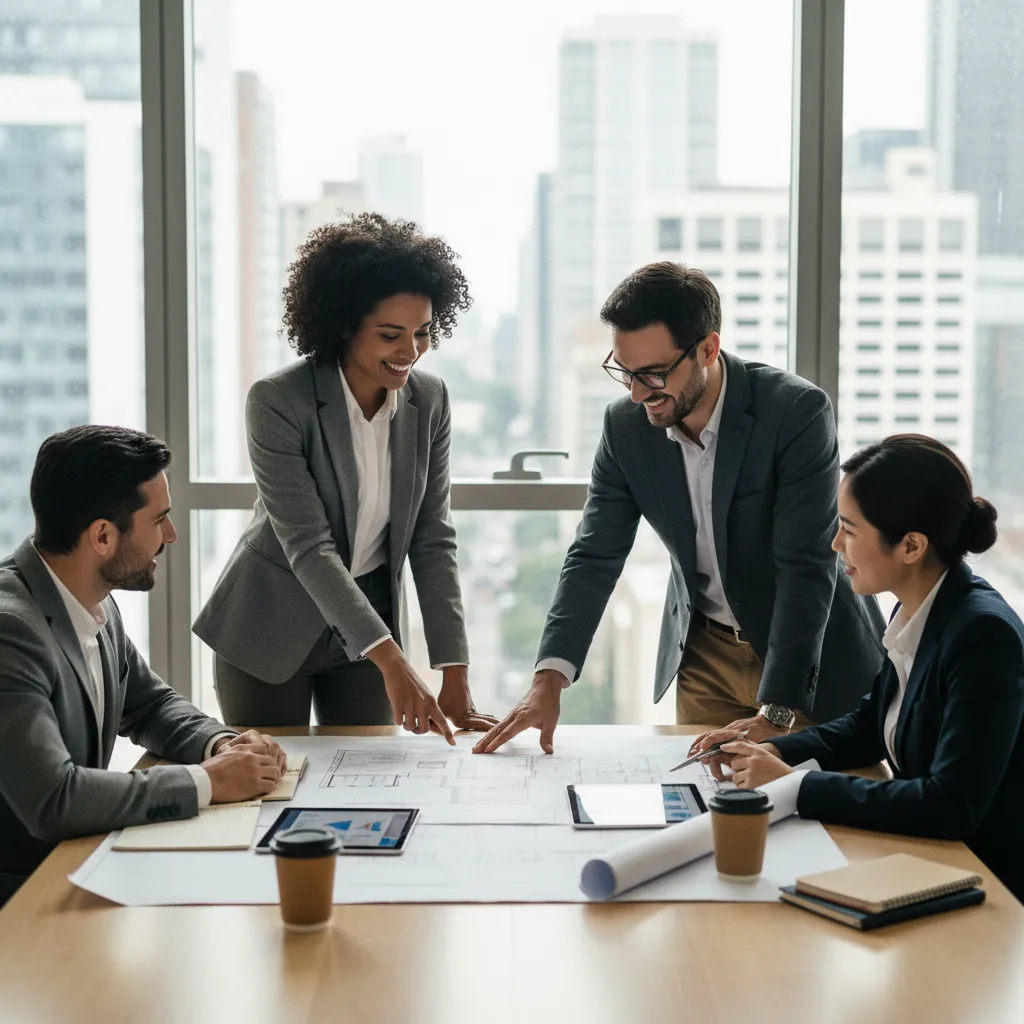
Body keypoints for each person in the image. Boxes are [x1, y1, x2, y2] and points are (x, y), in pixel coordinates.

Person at [475, 262, 885, 755]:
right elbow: (595, 553)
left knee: (818, 813)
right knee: (703, 806)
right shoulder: (626, 427)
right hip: (704, 657)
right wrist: (549, 678)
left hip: (806, 656)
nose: (636, 393)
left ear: (708, 348)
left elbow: (806, 567)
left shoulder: (796, 413)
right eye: (624, 372)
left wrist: (778, 709)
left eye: (652, 374)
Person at [194, 213, 496, 737]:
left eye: (422, 333)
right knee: (275, 783)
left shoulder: (429, 400)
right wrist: (398, 665)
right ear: (342, 325)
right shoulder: (278, 401)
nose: (410, 351)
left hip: (369, 618)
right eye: (389, 334)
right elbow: (309, 546)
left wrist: (454, 671)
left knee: (370, 784)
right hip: (270, 624)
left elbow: (432, 539)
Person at [700, 435, 1024, 902]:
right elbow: (869, 726)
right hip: (929, 862)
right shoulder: (918, 608)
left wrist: (796, 786)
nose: (835, 544)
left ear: (910, 546)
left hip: (984, 885)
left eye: (849, 530)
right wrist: (768, 748)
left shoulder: (982, 636)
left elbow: (949, 805)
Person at [0, 426, 287, 907]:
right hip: (24, 892)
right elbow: (55, 800)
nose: (171, 536)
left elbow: (151, 706)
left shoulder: (89, 600)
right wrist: (210, 781)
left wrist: (223, 744)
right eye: (159, 520)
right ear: (103, 536)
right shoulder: (12, 630)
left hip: (74, 861)